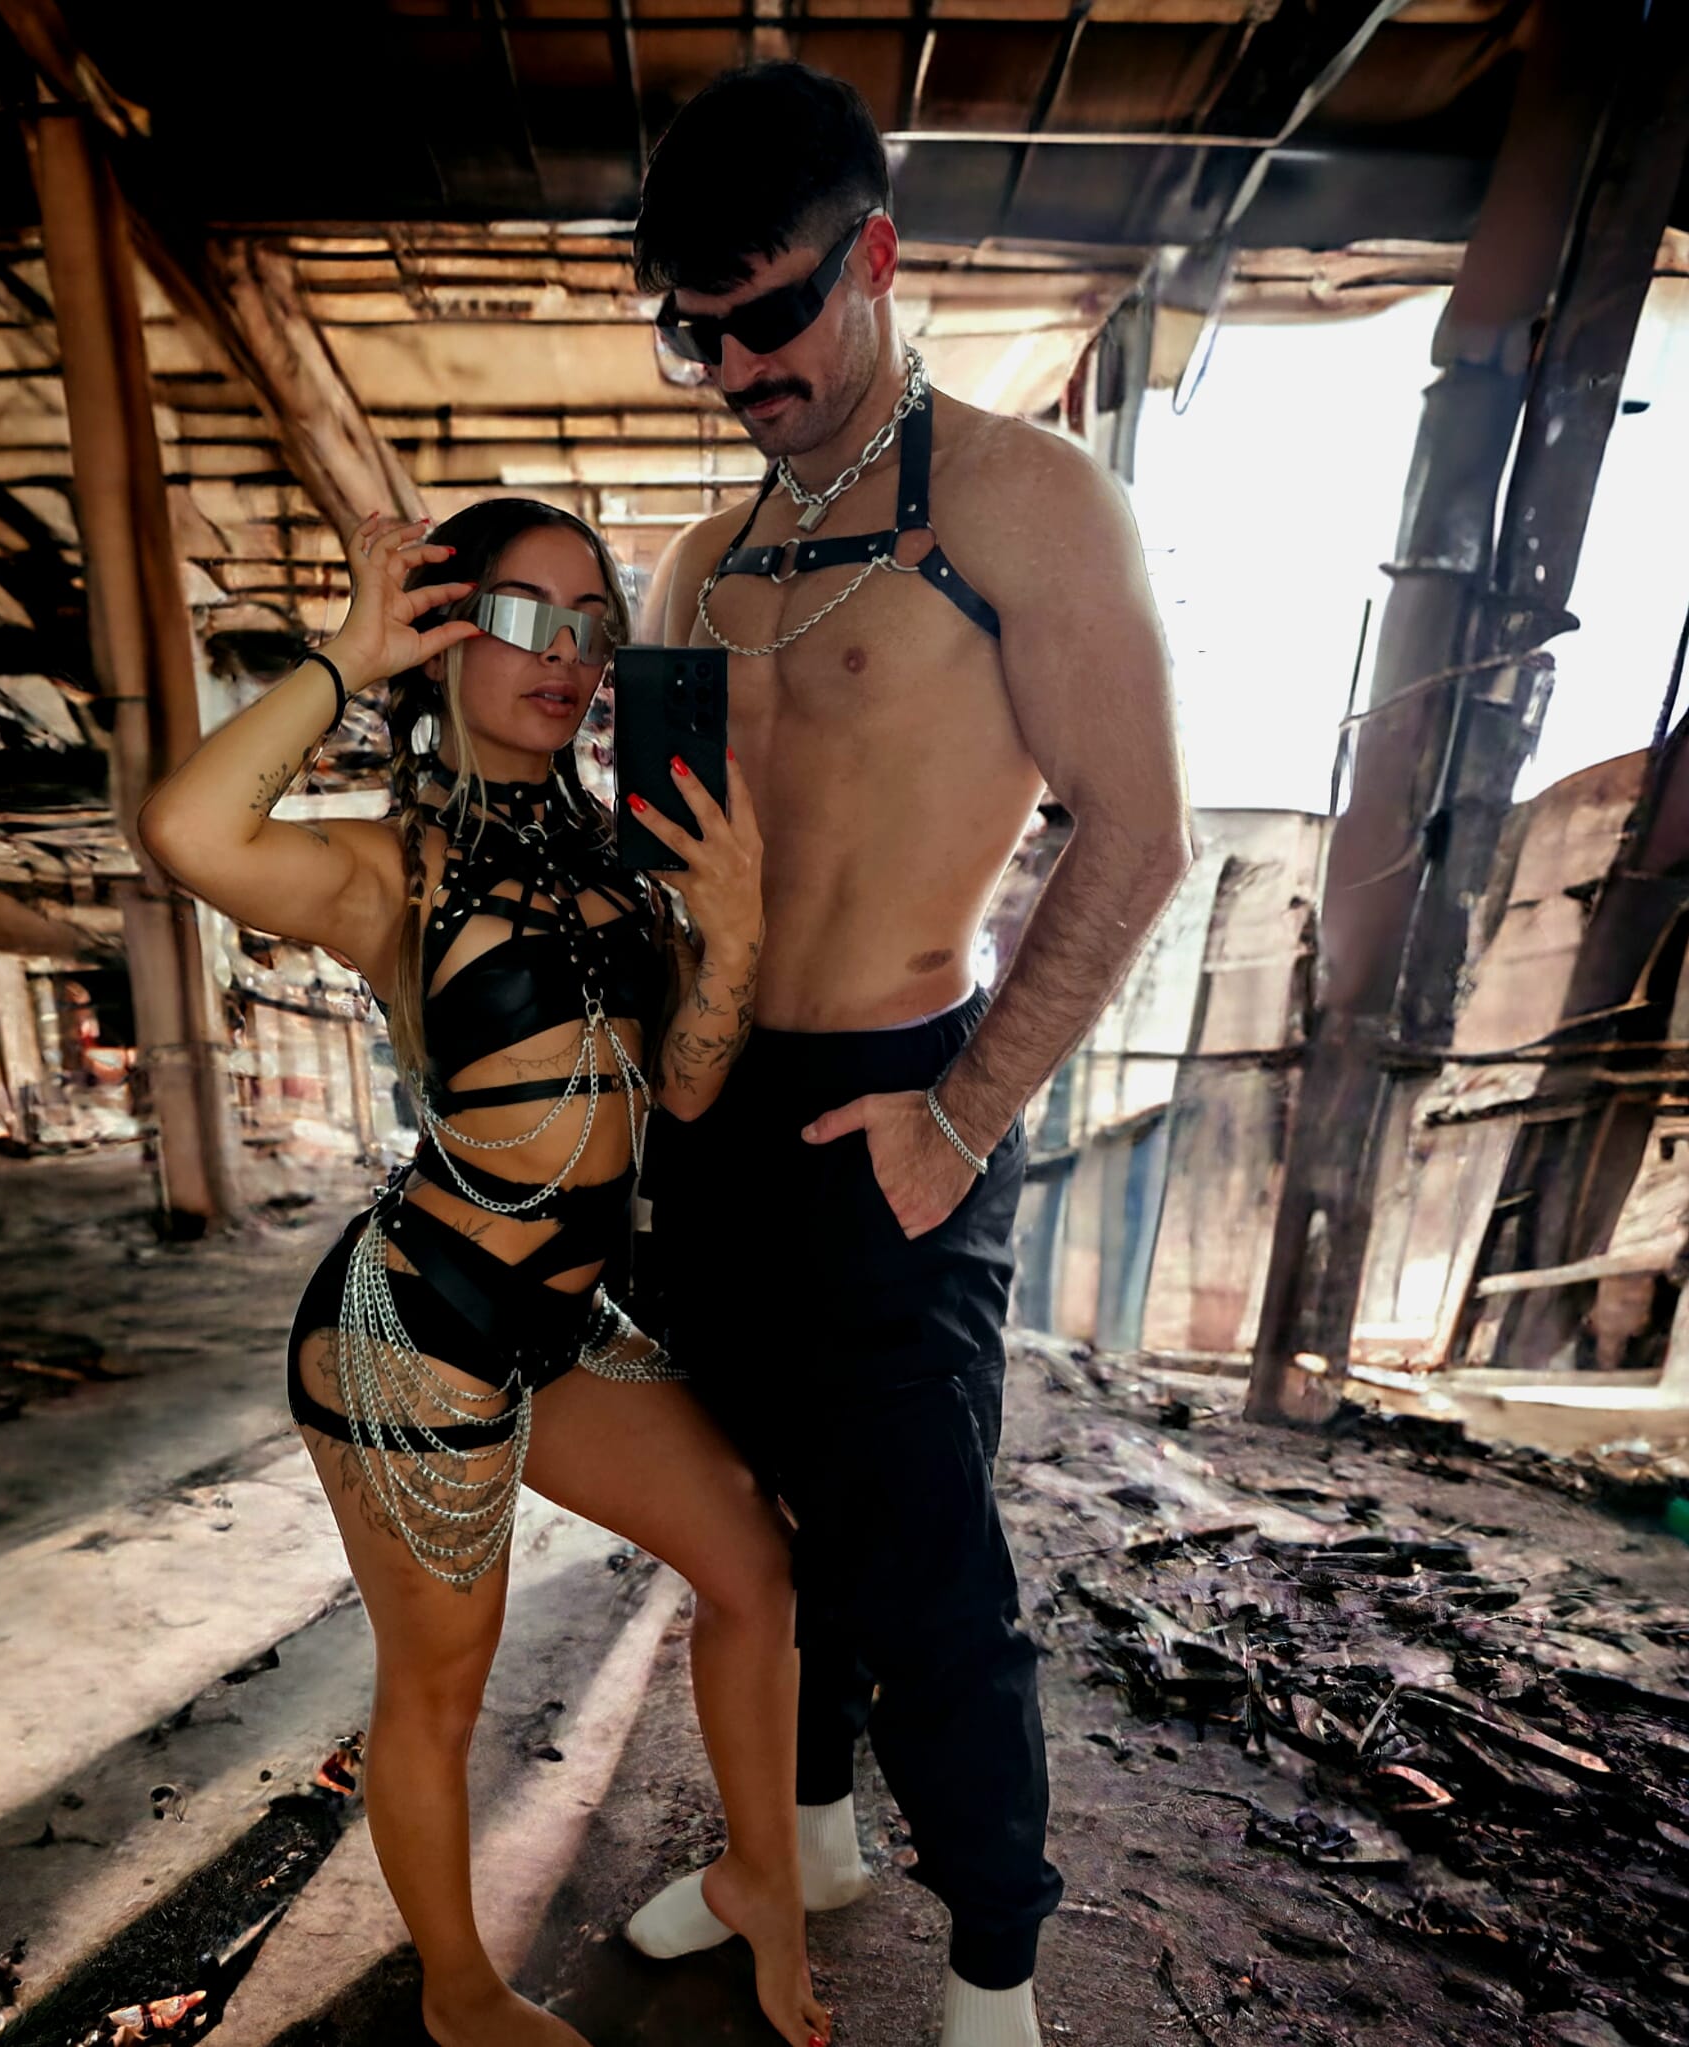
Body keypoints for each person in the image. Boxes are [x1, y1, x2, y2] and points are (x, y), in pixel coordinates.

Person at [623, 63, 1193, 2047]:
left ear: (872, 257)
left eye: (768, 314)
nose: (732, 369)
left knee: (930, 1571)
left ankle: (996, 1965)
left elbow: (1137, 834)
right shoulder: (698, 563)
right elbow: (664, 870)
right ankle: (801, 1847)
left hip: (903, 1098)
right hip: (712, 1114)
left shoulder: (1024, 502)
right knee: (757, 1539)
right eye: (692, 332)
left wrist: (962, 1117)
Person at [140, 499, 830, 2047]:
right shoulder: (396, 866)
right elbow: (186, 832)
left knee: (759, 1572)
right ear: (448, 635)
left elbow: (687, 1092)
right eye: (521, 616)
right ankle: (458, 1995)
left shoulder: (623, 860)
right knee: (442, 1686)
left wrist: (730, 937)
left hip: (566, 1318)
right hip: (420, 1322)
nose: (564, 657)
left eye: (591, 628)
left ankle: (762, 1884)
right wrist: (347, 650)